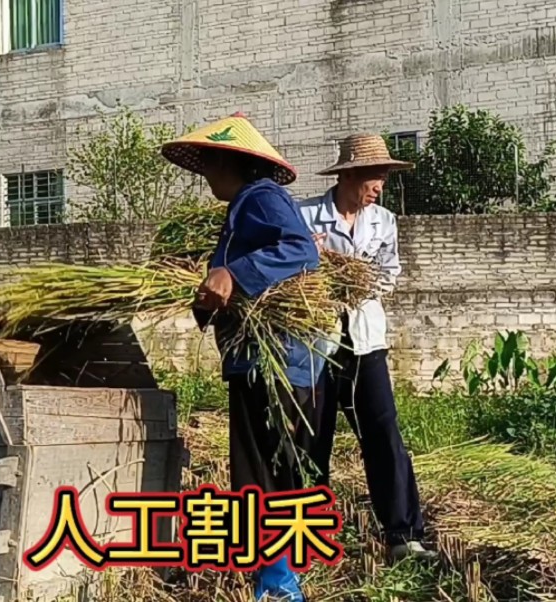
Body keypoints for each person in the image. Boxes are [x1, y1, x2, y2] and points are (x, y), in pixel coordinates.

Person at [161, 112, 326, 602]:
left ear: (230, 161)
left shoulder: (262, 198)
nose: (206, 174)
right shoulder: (244, 209)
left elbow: (300, 251)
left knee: (260, 473)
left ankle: (277, 583)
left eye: (209, 163)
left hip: (271, 360)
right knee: (278, 467)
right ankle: (284, 571)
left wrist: (234, 275)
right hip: (269, 360)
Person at [299, 133, 436, 564]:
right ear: (350, 175)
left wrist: (355, 279)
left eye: (383, 178)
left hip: (365, 342)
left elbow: (389, 274)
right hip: (316, 344)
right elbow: (293, 272)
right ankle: (309, 533)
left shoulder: (384, 221)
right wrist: (314, 264)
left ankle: (403, 534)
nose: (380, 186)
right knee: (312, 438)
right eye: (375, 177)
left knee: (383, 433)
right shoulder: (306, 217)